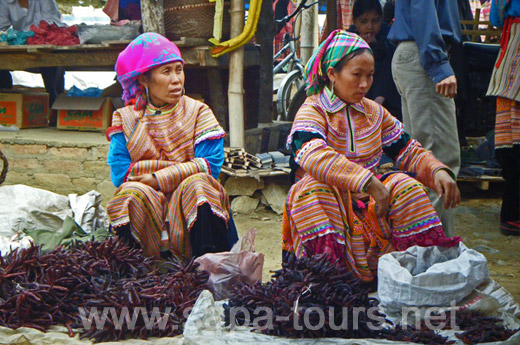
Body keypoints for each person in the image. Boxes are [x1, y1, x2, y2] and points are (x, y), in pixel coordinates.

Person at [282, 30, 461, 282]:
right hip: (329, 203)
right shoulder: (313, 109)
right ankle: (328, 282)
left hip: (369, 205)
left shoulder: (374, 112)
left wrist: (436, 170)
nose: (365, 84)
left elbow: (407, 149)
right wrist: (367, 181)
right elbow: (312, 154)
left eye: (370, 75)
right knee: (311, 190)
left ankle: (415, 276)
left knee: (407, 187)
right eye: (357, 75)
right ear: (332, 73)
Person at [106, 32, 238, 260]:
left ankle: (208, 269)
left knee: (200, 185)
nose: (176, 79)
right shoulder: (125, 118)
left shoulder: (198, 112)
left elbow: (210, 166)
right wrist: (178, 171)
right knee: (130, 193)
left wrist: (158, 178)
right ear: (143, 79)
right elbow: (120, 173)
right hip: (147, 197)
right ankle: (135, 273)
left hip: (188, 195)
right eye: (166, 72)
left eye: (179, 70)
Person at [388, 0, 462, 237]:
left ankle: (426, 246)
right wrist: (438, 64)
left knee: (421, 160)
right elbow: (422, 10)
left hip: (415, 54)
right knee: (438, 163)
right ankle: (436, 251)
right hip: (423, 56)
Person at [486, 0, 520, 236]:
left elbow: (495, 18)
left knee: (510, 140)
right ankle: (512, 215)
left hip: (511, 53)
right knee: (514, 144)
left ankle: (511, 214)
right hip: (515, 52)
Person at [0, 0, 65, 109]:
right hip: (21, 47)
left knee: (50, 65)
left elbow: (53, 23)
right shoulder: (6, 2)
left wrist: (33, 35)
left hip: (46, 45)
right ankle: (7, 100)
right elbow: (1, 26)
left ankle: (55, 105)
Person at [348, 0, 401, 120]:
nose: (370, 27)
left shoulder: (388, 36)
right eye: (363, 22)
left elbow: (389, 68)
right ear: (355, 22)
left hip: (388, 99)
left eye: (375, 21)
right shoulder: (349, 39)